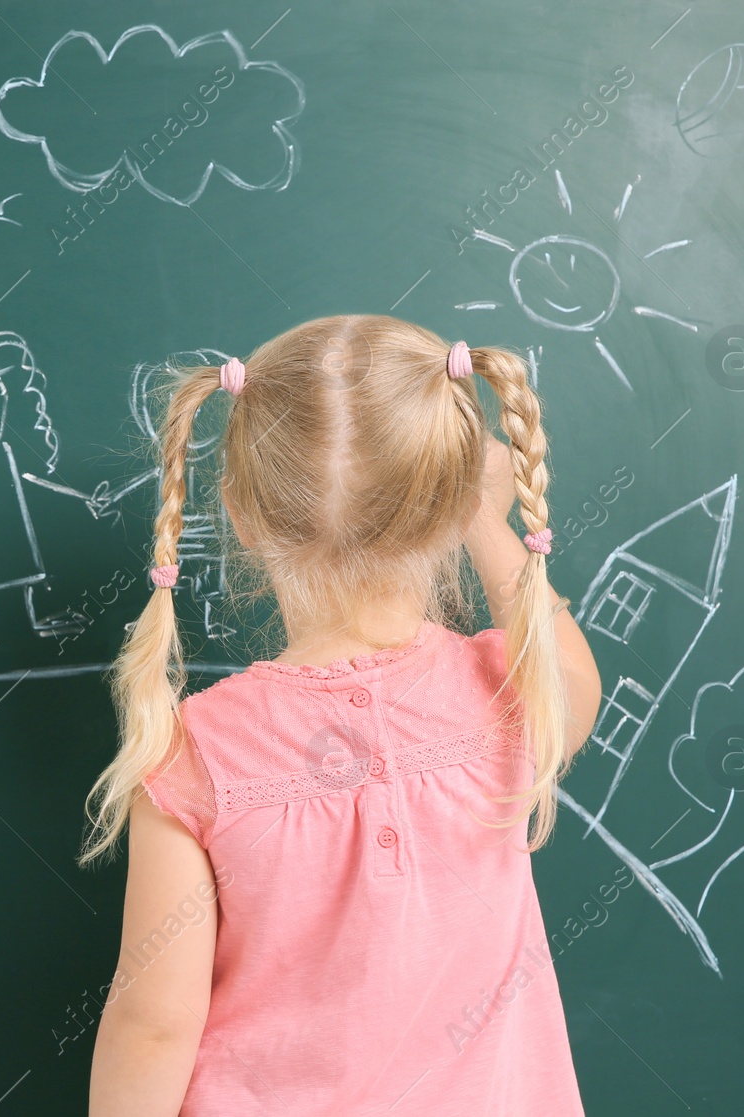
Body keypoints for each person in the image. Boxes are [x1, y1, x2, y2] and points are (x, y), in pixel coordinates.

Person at [82, 316, 603, 1115]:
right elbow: (573, 680)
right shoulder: (504, 691)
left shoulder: (198, 748)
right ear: (449, 497)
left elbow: (156, 1023)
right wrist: (486, 524)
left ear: (241, 515)